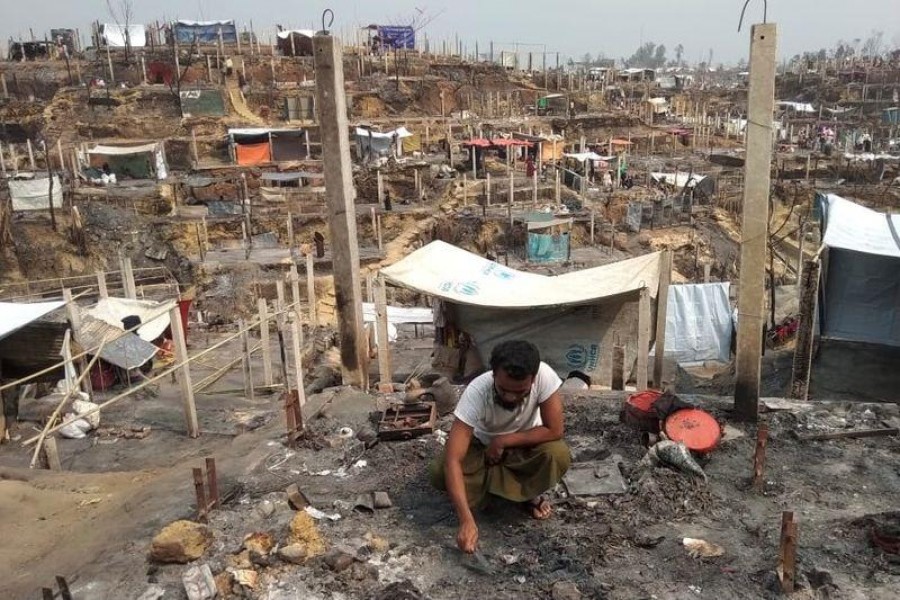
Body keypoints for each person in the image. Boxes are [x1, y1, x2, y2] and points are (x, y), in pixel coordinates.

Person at [429, 340, 570, 554]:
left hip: (524, 445)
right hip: (482, 450)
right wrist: (466, 521)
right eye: (503, 390)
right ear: (493, 374)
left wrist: (503, 441)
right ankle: (499, 494)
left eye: (521, 391)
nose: (511, 397)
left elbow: (554, 430)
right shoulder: (477, 391)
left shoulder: (545, 376)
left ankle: (524, 495)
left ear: (533, 379)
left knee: (557, 454)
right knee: (439, 472)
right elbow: (453, 459)